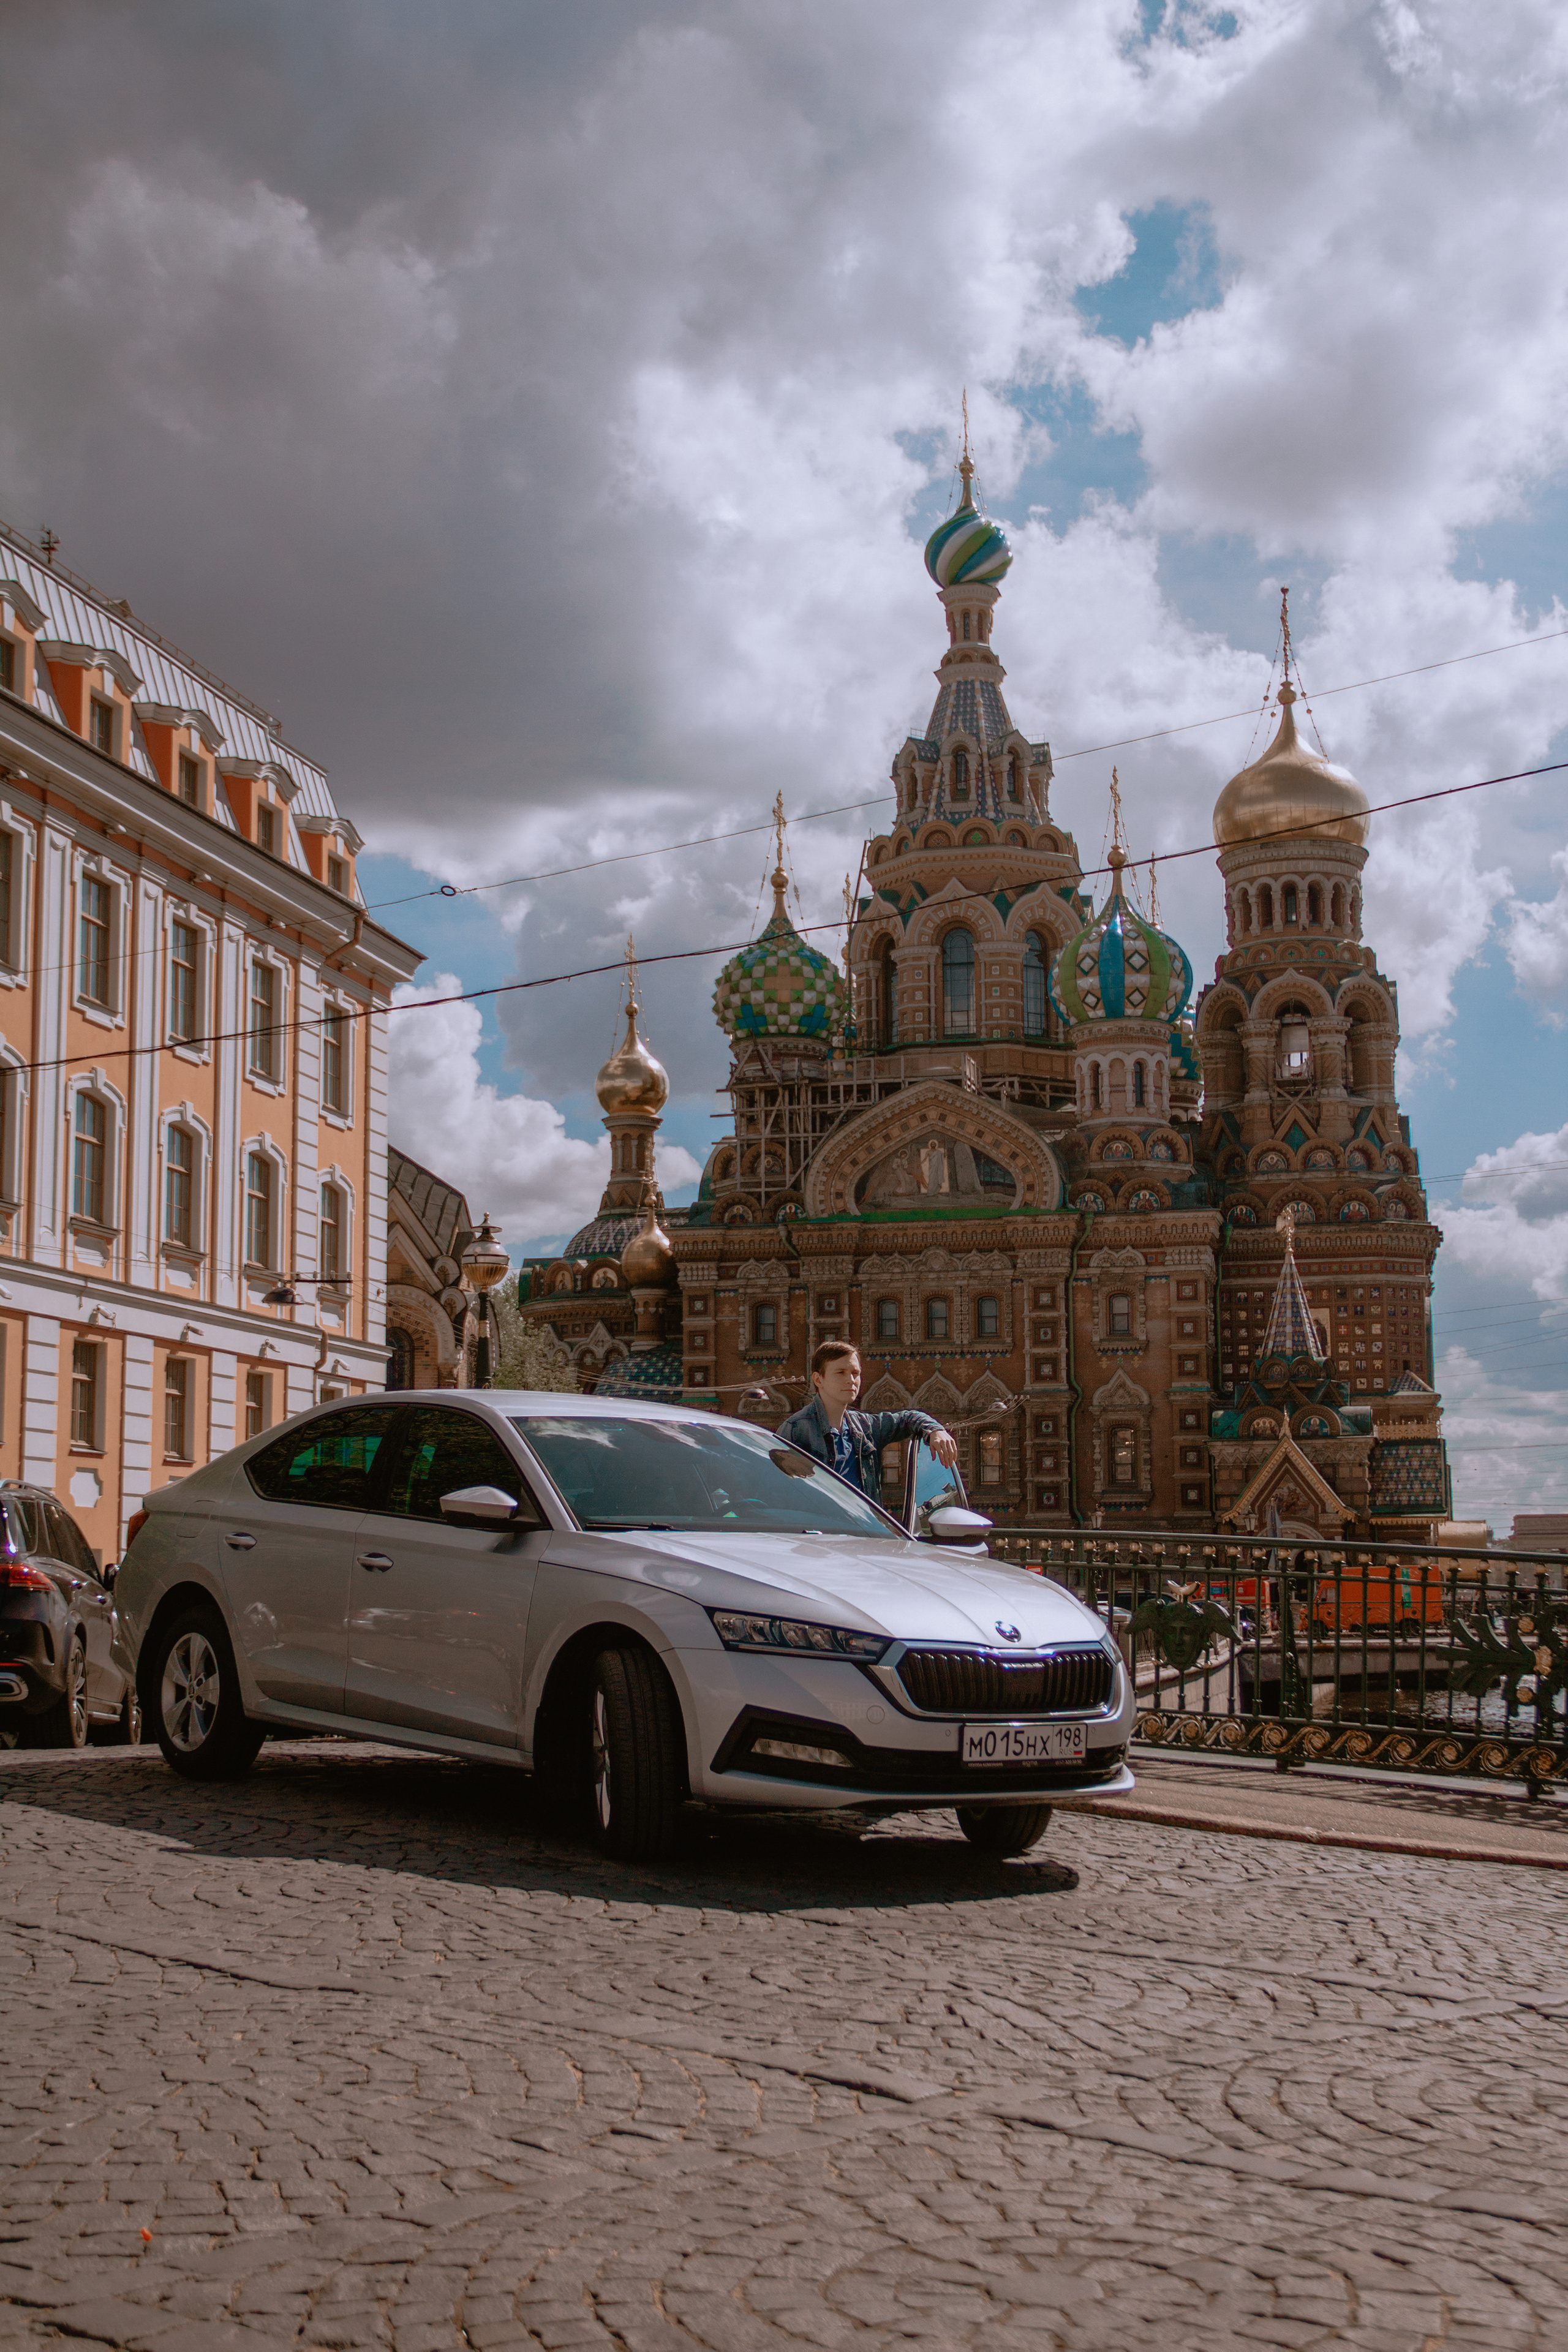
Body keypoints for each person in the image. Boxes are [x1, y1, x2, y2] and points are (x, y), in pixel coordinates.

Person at [775, 1339, 959, 1510]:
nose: (851, 1380)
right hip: (821, 1531)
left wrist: (935, 1430)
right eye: (841, 1372)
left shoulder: (864, 1426)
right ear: (818, 1379)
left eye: (855, 1373)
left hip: (866, 1529)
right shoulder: (796, 1429)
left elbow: (908, 1418)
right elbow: (780, 1494)